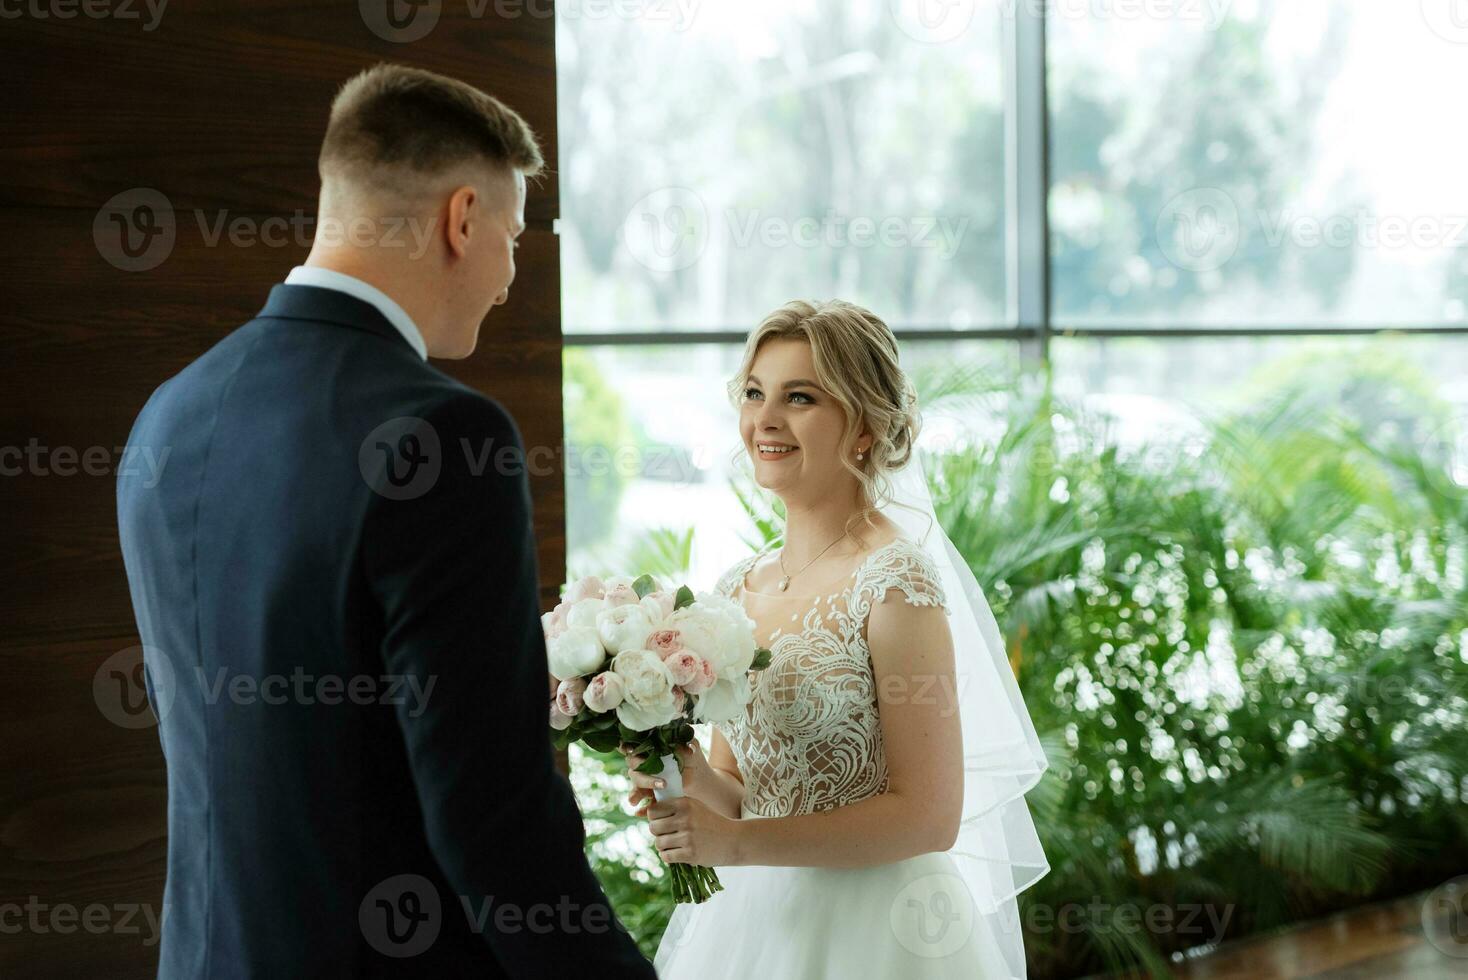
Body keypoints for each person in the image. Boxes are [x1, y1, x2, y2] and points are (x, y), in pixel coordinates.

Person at [116, 63, 655, 979]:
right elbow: (493, 816)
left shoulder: (168, 412)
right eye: (515, 237)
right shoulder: (443, 435)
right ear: (462, 220)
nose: (512, 274)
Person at [622, 299, 1051, 978]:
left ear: (863, 427)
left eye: (800, 398)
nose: (765, 419)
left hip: (884, 934)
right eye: (755, 393)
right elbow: (746, 794)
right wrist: (687, 777)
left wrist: (735, 845)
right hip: (755, 927)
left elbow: (930, 818)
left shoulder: (896, 583)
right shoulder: (737, 588)